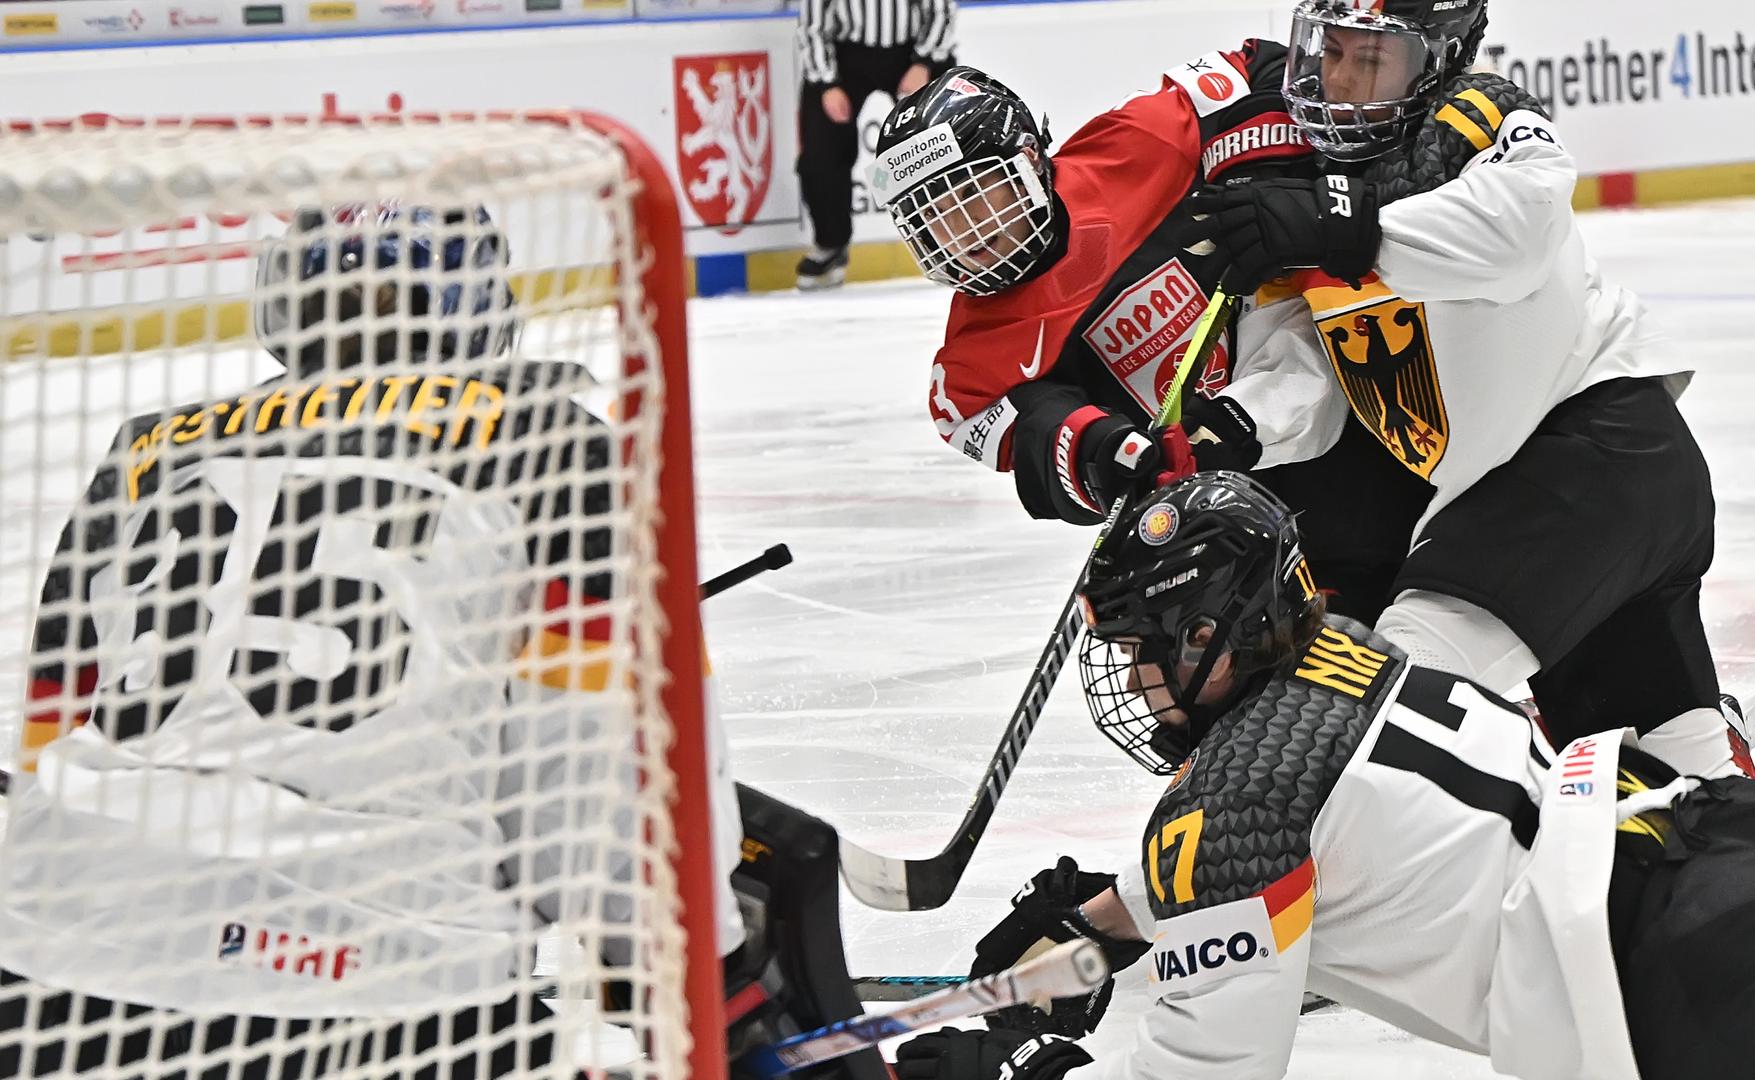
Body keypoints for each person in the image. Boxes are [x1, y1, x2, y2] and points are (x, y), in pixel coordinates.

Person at [0, 204, 744, 1078]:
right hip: (375, 981)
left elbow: (48, 729)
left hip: (53, 953)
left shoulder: (145, 451)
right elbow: (593, 814)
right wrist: (699, 970)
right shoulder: (559, 447)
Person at [892, 472, 1755, 1080]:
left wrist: (1032, 1066)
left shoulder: (1227, 811)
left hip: (1693, 972)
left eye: (1138, 650)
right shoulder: (1343, 650)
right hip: (1750, 843)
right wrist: (1110, 917)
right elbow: (1319, 823)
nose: (1133, 682)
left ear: (1209, 635)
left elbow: (1213, 1066)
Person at [1167, 0, 1755, 775]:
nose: (1343, 83)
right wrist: (1235, 424)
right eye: (1333, 54)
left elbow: (1518, 233)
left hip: (1595, 457)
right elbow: (1315, 358)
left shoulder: (1479, 119)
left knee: (1375, 701)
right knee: (1657, 784)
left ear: (1438, 57)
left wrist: (1350, 230)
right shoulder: (1312, 182)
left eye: (1374, 59)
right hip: (1531, 492)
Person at [877, 54, 1434, 623]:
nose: (959, 235)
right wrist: (1099, 451)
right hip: (1223, 514)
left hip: (1353, 415)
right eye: (931, 218)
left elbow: (1268, 64)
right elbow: (1026, 429)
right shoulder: (971, 360)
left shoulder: (1136, 142)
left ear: (1027, 159)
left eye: (971, 197)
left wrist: (1258, 164)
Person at [796, 0, 959, 290]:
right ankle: (830, 243)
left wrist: (925, 62)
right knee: (820, 153)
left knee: (945, 139)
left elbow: (941, 9)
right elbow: (812, 25)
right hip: (846, 54)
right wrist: (826, 83)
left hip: (912, 51)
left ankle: (955, 238)